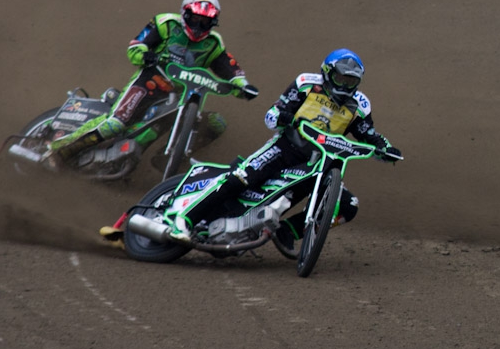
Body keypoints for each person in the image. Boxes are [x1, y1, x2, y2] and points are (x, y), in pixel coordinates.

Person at [169, 48, 402, 245]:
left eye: (351, 82)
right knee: (241, 177)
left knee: (348, 206)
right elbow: (273, 114)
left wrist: (386, 149)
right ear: (328, 73)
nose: (345, 85)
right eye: (341, 79)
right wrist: (285, 117)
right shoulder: (305, 84)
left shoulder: (360, 104)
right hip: (286, 147)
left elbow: (368, 134)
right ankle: (184, 219)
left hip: (321, 163)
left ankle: (287, 232)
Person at [46, 0, 255, 164]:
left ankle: (165, 159)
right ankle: (59, 150)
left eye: (206, 22)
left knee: (217, 122)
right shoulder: (165, 24)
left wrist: (243, 86)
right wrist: (145, 55)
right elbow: (135, 47)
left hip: (179, 98)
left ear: (214, 22)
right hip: (148, 82)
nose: (199, 26)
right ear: (185, 13)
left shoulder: (214, 43)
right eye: (195, 19)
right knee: (116, 124)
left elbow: (231, 70)